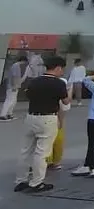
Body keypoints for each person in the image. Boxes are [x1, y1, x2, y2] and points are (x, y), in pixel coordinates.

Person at [14, 55, 69, 193]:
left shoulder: (34, 81)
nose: (62, 72)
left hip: (31, 117)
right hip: (48, 118)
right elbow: (66, 101)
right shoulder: (59, 83)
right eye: (62, 69)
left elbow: (28, 95)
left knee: (25, 151)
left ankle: (21, 180)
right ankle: (36, 182)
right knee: (42, 152)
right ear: (57, 68)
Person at [0, 55, 27, 120]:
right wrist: (14, 86)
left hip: (13, 86)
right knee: (9, 100)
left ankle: (9, 114)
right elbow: (15, 77)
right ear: (23, 61)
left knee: (13, 101)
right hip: (12, 87)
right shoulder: (16, 66)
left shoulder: (15, 65)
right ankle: (3, 115)